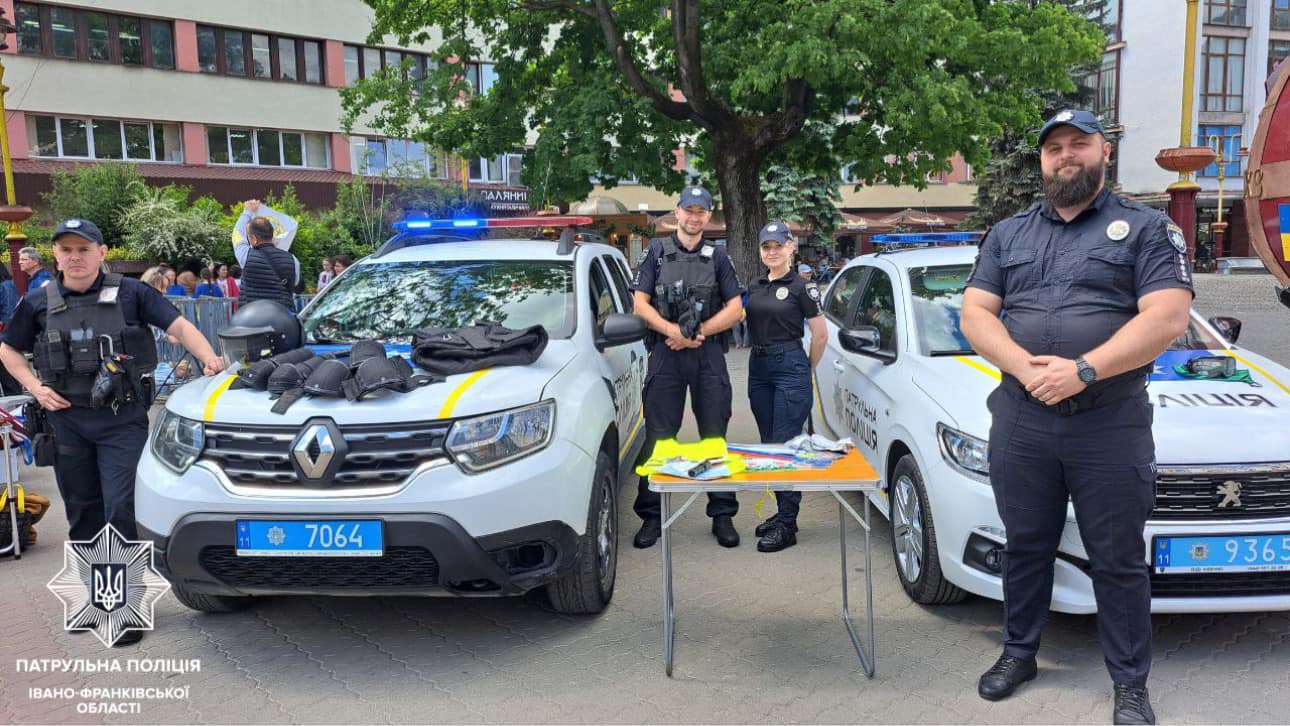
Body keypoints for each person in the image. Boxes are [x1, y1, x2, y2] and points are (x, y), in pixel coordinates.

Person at [960, 110, 1193, 725]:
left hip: (1107, 424)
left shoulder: (1147, 229)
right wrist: (1026, 369)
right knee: (1025, 545)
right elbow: (976, 314)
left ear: (1104, 152)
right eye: (1054, 148)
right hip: (1023, 418)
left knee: (1117, 558)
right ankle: (1019, 653)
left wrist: (1083, 370)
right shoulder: (1007, 234)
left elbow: (1167, 318)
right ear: (1042, 160)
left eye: (1079, 144)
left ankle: (1130, 683)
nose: (1066, 155)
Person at [0, 220, 226, 644]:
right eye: (66, 250)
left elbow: (178, 327)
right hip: (67, 421)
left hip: (121, 420)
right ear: (56, 255)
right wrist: (35, 388)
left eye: (83, 249)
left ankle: (122, 608)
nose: (75, 257)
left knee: (120, 509)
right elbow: (9, 349)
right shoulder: (39, 301)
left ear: (101, 253)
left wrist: (209, 358)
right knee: (82, 511)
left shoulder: (132, 293)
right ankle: (94, 600)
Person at [630, 185, 744, 549]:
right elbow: (640, 305)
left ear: (708, 216)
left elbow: (736, 308)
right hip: (666, 353)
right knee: (659, 437)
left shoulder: (719, 257)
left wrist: (698, 333)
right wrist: (674, 332)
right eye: (689, 210)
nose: (694, 217)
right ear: (677, 212)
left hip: (707, 353)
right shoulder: (656, 252)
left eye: (701, 211)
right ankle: (652, 516)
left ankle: (722, 514)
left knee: (714, 436)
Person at [745, 222, 826, 552]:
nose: (772, 251)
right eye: (767, 246)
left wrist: (805, 369)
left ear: (791, 247)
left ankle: (788, 524)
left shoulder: (802, 288)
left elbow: (820, 335)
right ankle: (782, 513)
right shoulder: (756, 284)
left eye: (778, 245)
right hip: (759, 367)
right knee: (770, 445)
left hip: (790, 366)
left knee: (784, 445)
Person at [233, 199, 300, 309]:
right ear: (272, 235)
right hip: (283, 316)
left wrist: (247, 211)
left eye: (249, 237)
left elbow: (237, 234)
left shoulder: (246, 256)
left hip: (253, 315)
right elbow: (296, 283)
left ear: (254, 239)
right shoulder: (293, 260)